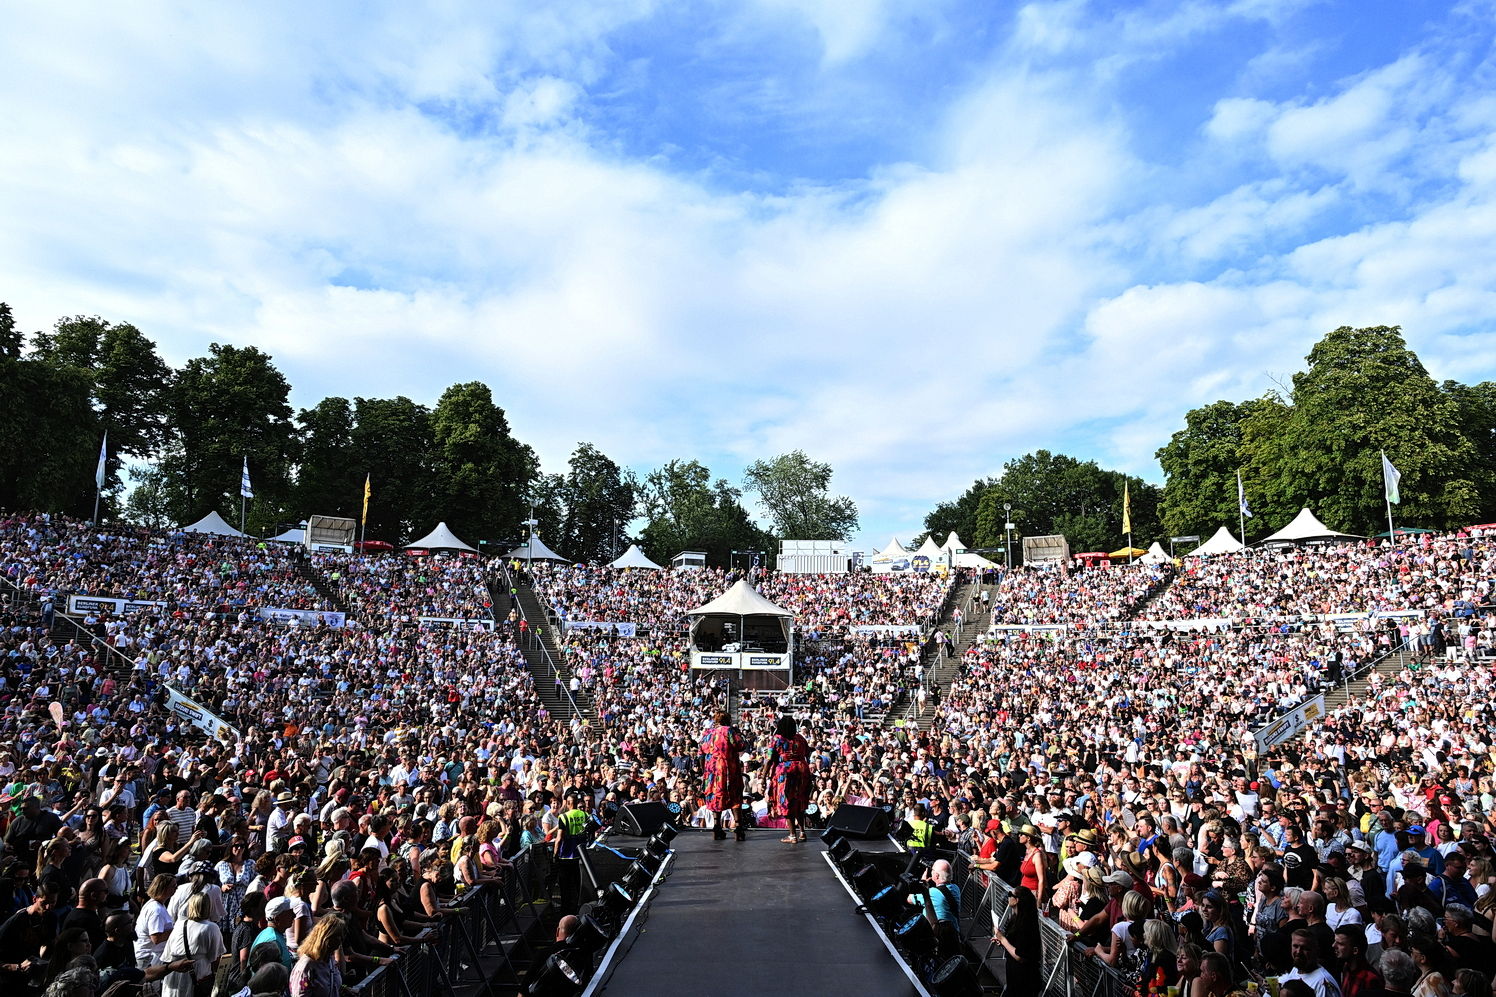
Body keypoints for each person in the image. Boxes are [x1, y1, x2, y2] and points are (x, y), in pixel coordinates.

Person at [160, 892, 224, 997]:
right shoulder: (211, 927)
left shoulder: (179, 925)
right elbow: (215, 957)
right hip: (197, 973)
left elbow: (167, 955)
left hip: (174, 972)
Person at [763, 715, 812, 845]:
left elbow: (769, 759)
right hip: (802, 770)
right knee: (799, 801)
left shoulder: (777, 739)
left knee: (787, 802)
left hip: (785, 772)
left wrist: (763, 776)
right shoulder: (800, 738)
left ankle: (792, 835)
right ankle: (802, 832)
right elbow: (807, 753)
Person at [699, 711, 747, 842]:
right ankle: (738, 828)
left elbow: (700, 753)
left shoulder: (708, 733)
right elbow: (742, 745)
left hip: (712, 771)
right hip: (729, 770)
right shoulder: (729, 731)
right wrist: (739, 733)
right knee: (735, 796)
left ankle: (717, 826)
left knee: (716, 796)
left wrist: (705, 771)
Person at [992, 885, 1041, 995]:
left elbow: (1020, 956)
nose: (1008, 897)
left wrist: (1003, 939)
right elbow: (1014, 944)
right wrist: (1002, 942)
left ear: (1017, 900)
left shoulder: (1026, 924)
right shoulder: (1015, 918)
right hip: (1014, 975)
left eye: (1010, 895)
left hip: (1025, 979)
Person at [289, 915, 347, 997]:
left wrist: (344, 990)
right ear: (326, 938)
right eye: (338, 936)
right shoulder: (306, 966)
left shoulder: (329, 960)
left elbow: (332, 985)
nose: (341, 940)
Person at [1278, 928, 1344, 996]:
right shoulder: (1296, 969)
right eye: (1295, 946)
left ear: (1316, 951)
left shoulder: (1322, 982)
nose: (1298, 952)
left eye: (1305, 948)